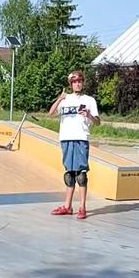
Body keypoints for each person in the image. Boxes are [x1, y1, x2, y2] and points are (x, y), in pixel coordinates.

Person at [48, 70, 100, 219]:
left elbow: (98, 122)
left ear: (82, 83)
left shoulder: (89, 100)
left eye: (79, 81)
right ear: (71, 84)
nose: (77, 84)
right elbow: (51, 113)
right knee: (69, 175)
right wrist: (59, 98)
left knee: (81, 175)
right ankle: (67, 206)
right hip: (66, 138)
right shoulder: (65, 99)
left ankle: (82, 207)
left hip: (81, 138)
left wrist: (89, 115)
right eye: (74, 82)